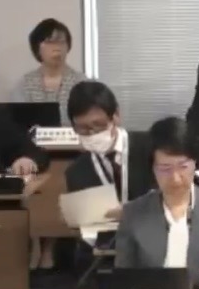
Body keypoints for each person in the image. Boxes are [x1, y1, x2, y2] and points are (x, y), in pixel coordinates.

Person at [114, 117, 199, 287]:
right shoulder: (133, 213)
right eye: (165, 169)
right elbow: (122, 279)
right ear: (152, 168)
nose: (176, 178)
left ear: (195, 163)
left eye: (183, 167)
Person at [63, 81, 155, 213]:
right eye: (83, 128)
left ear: (116, 115)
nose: (92, 133)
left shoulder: (151, 147)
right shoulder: (76, 173)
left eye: (98, 124)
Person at [11, 18, 85, 124]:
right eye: (50, 42)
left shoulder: (82, 83)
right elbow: (18, 123)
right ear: (37, 47)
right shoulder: (24, 84)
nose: (57, 48)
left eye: (61, 42)